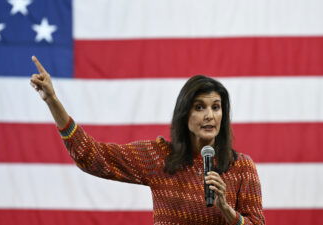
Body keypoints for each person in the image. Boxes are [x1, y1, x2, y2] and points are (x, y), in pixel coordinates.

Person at [30, 56, 265, 225]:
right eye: (199, 107)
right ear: (185, 115)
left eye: (216, 107)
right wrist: (52, 101)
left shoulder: (241, 167)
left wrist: (227, 210)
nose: (209, 116)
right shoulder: (160, 157)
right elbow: (91, 156)